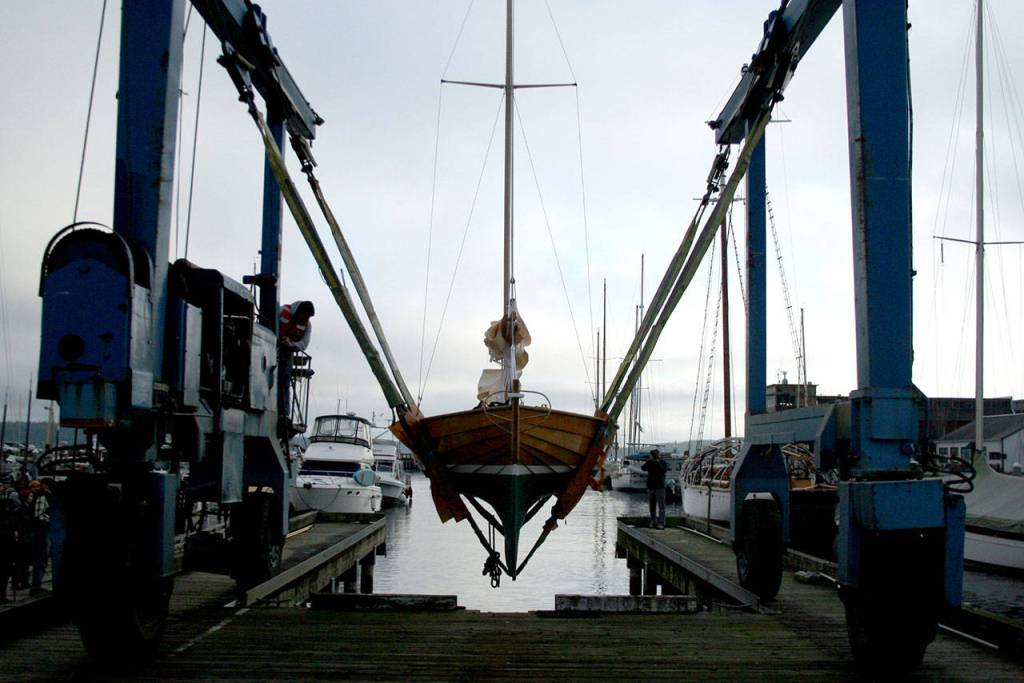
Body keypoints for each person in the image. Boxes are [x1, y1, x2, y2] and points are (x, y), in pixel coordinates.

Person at [0, 474, 20, 602]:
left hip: (7, 539)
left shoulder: (8, 502)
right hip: (5, 539)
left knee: (5, 568)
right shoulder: (9, 504)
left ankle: (2, 594)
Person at [29, 480, 50, 595]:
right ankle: (36, 586)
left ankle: (37, 584)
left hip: (41, 531)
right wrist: (52, 520)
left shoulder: (42, 496)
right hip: (40, 531)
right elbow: (39, 515)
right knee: (41, 558)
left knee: (42, 558)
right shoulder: (42, 497)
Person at [642, 448, 668, 529]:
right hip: (651, 487)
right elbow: (643, 468)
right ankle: (653, 521)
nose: (653, 457)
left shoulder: (662, 462)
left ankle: (661, 523)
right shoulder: (649, 462)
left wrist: (657, 462)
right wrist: (649, 461)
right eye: (653, 455)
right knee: (652, 506)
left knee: (661, 506)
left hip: (660, 487)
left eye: (654, 455)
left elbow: (664, 470)